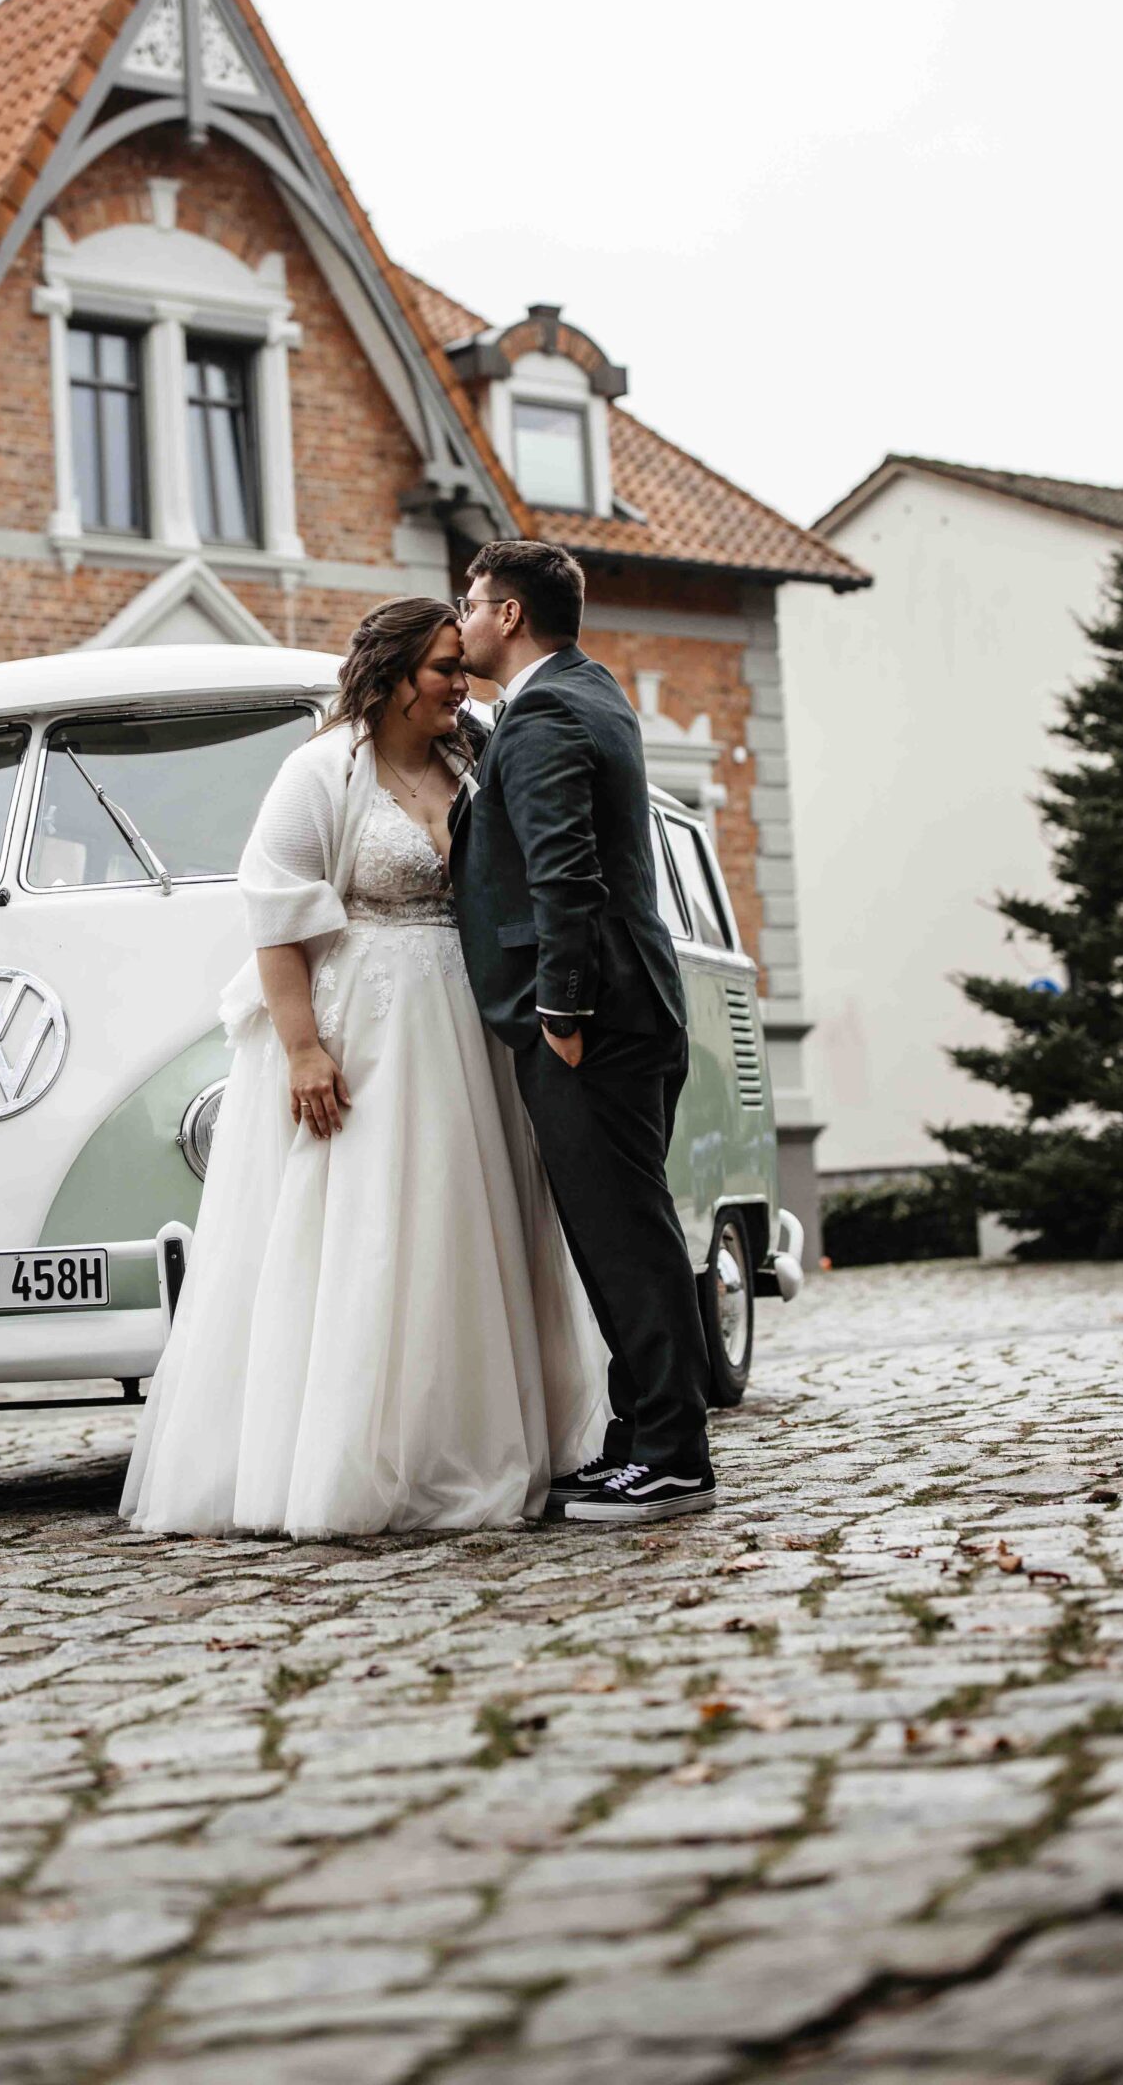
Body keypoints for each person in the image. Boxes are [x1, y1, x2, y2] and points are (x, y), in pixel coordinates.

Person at [121, 597, 604, 1538]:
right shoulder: (319, 772)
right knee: (372, 1229)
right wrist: (302, 1049)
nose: (459, 685)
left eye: (460, 667)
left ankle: (469, 1438)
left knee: (462, 1225)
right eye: (442, 669)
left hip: (465, 1032)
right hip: (364, 1035)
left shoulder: (469, 761)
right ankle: (357, 1456)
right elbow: (274, 915)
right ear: (390, 677)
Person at [451, 539, 716, 1524]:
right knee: (622, 1232)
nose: (462, 620)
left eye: (469, 603)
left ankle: (674, 1457)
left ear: (508, 615)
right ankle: (639, 1438)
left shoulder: (549, 714)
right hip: (633, 1007)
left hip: (590, 1020)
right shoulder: (589, 691)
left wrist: (560, 1009)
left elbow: (566, 872)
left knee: (625, 1237)